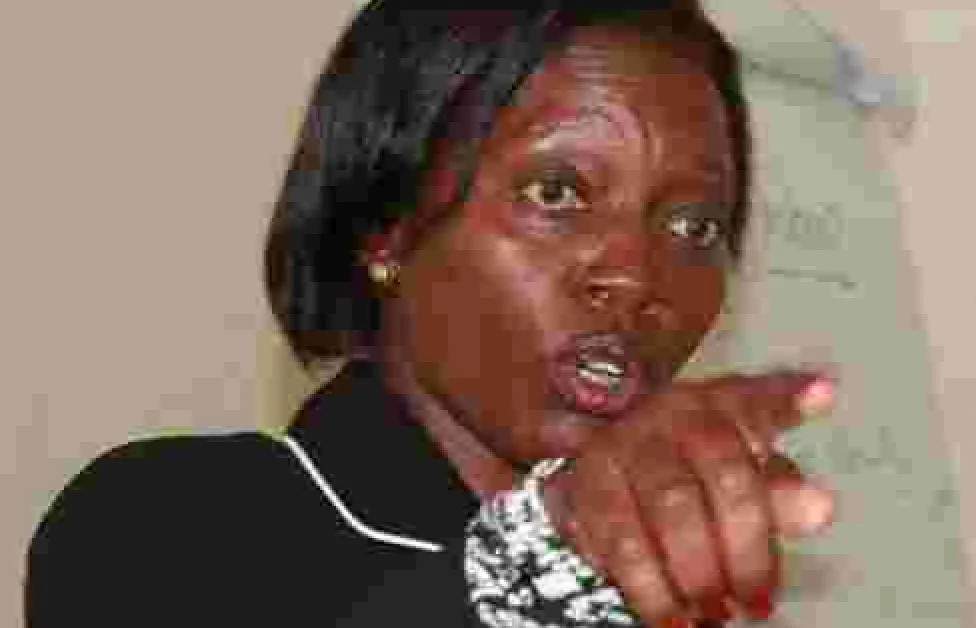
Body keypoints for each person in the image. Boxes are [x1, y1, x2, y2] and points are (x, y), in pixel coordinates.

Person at [25, 4, 838, 627]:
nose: (635, 275)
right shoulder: (164, 527)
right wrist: (547, 557)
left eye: (694, 226)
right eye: (556, 192)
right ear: (387, 225)